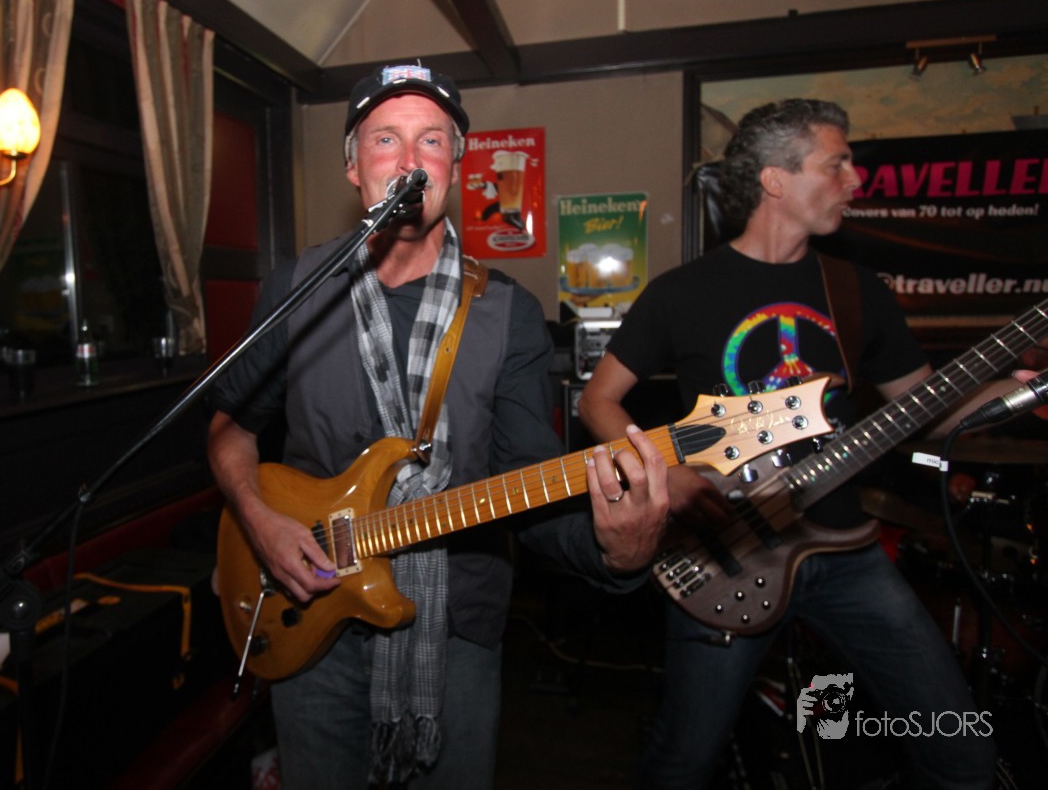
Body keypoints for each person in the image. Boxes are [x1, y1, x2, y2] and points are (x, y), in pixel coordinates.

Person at [206, 63, 669, 790]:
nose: (409, 160)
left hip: (454, 628)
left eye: (431, 141)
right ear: (354, 167)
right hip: (307, 619)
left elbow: (532, 491)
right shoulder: (297, 289)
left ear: (454, 166)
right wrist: (258, 520)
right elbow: (228, 430)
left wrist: (618, 554)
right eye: (385, 139)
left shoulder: (509, 313)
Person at [578, 98, 1025, 789]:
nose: (854, 179)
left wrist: (1021, 390)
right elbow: (597, 402)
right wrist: (671, 476)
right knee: (684, 763)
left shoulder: (855, 290)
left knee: (962, 751)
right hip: (728, 549)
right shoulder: (681, 293)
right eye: (835, 164)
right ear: (775, 179)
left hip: (848, 552)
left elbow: (930, 412)